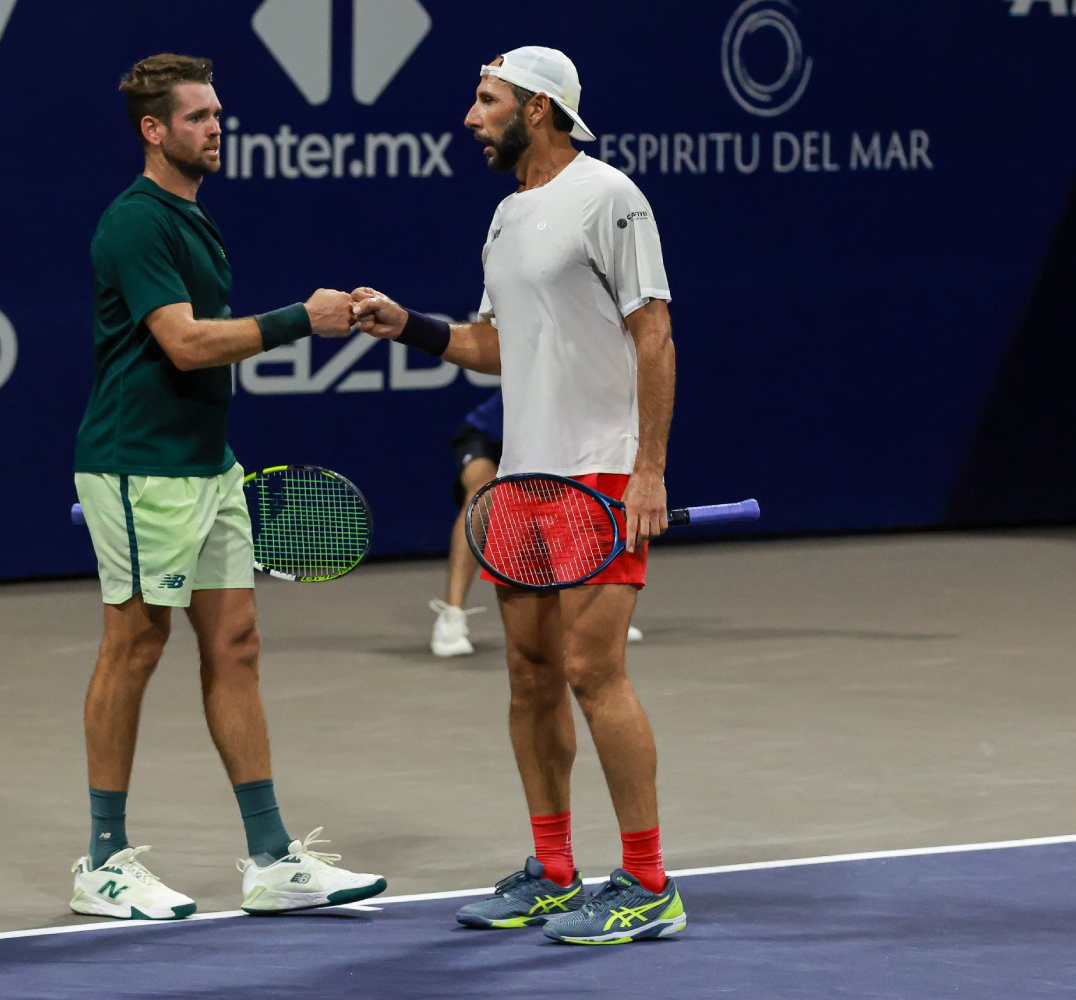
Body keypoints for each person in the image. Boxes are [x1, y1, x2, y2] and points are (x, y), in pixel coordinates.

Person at [356, 46, 683, 944]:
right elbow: (495, 346)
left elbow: (653, 334)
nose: (472, 117)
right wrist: (408, 326)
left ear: (538, 108)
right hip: (524, 480)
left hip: (601, 472)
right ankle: (553, 869)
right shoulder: (505, 217)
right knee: (530, 675)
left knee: (593, 672)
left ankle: (649, 881)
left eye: (486, 100)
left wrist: (648, 469)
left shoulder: (609, 196)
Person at [69, 53, 385, 921]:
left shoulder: (192, 217)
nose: (216, 128)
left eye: (217, 114)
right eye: (198, 117)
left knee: (236, 644)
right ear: (154, 130)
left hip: (208, 464)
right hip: (140, 464)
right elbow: (184, 343)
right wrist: (301, 320)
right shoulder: (137, 223)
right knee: (134, 645)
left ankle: (272, 859)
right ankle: (103, 862)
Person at [432, 390, 645, 657]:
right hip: (488, 436)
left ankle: (595, 610)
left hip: (551, 445)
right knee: (483, 492)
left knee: (577, 498)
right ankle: (452, 615)